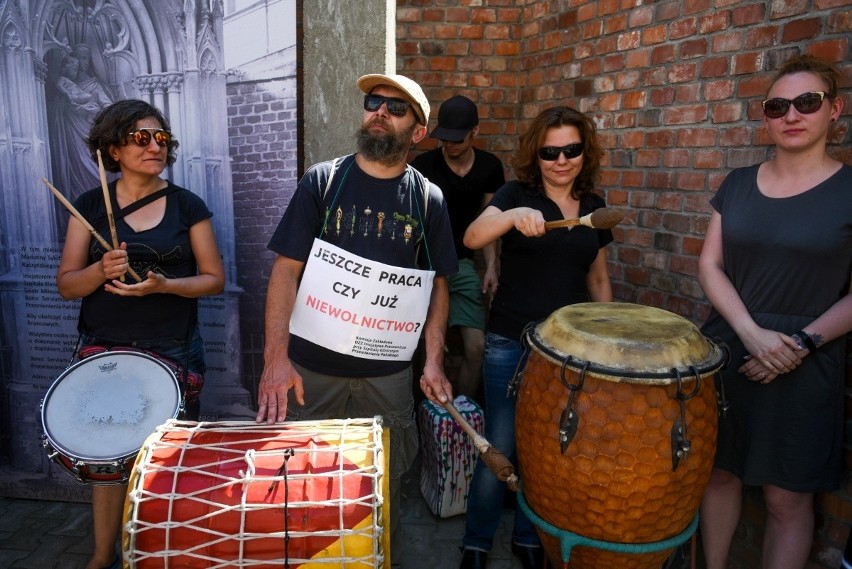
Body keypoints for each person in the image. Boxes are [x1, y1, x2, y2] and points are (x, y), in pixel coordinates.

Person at [256, 73, 458, 565]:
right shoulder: (323, 182)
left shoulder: (428, 199)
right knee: (305, 484)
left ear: (418, 132)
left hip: (386, 376)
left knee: (382, 485)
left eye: (396, 107)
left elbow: (436, 286)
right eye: (374, 101)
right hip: (311, 373)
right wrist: (275, 360)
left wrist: (433, 362)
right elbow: (285, 271)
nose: (380, 111)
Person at [56, 99, 225, 569]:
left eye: (162, 139)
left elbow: (213, 278)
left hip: (171, 347)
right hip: (104, 348)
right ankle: (100, 555)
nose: (155, 147)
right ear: (112, 149)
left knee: (168, 461)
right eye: (141, 138)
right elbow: (68, 285)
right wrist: (99, 270)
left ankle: (162, 551)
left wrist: (165, 285)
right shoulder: (91, 205)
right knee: (109, 464)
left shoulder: (188, 204)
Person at [698, 54, 851, 569]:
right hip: (731, 347)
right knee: (719, 472)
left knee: (788, 496)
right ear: (765, 116)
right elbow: (710, 265)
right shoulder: (737, 183)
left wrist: (800, 344)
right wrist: (750, 334)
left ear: (835, 110)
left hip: (809, 356)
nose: (792, 114)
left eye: (807, 102)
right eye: (777, 105)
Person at [459, 106, 614, 569]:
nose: (561, 160)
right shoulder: (515, 193)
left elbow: (599, 279)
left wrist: (608, 343)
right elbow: (471, 237)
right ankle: (477, 541)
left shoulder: (592, 206)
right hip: (511, 340)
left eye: (571, 150)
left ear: (585, 153)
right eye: (550, 151)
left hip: (568, 350)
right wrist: (514, 215)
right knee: (502, 443)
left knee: (547, 449)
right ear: (537, 154)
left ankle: (530, 535)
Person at [411, 95, 505, 399]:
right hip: (424, 266)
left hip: (462, 264)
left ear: (474, 132)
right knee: (425, 351)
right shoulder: (423, 167)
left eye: (457, 138)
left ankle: (459, 416)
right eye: (444, 138)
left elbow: (490, 225)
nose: (449, 145)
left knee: (476, 348)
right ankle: (428, 415)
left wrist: (492, 267)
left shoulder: (490, 167)